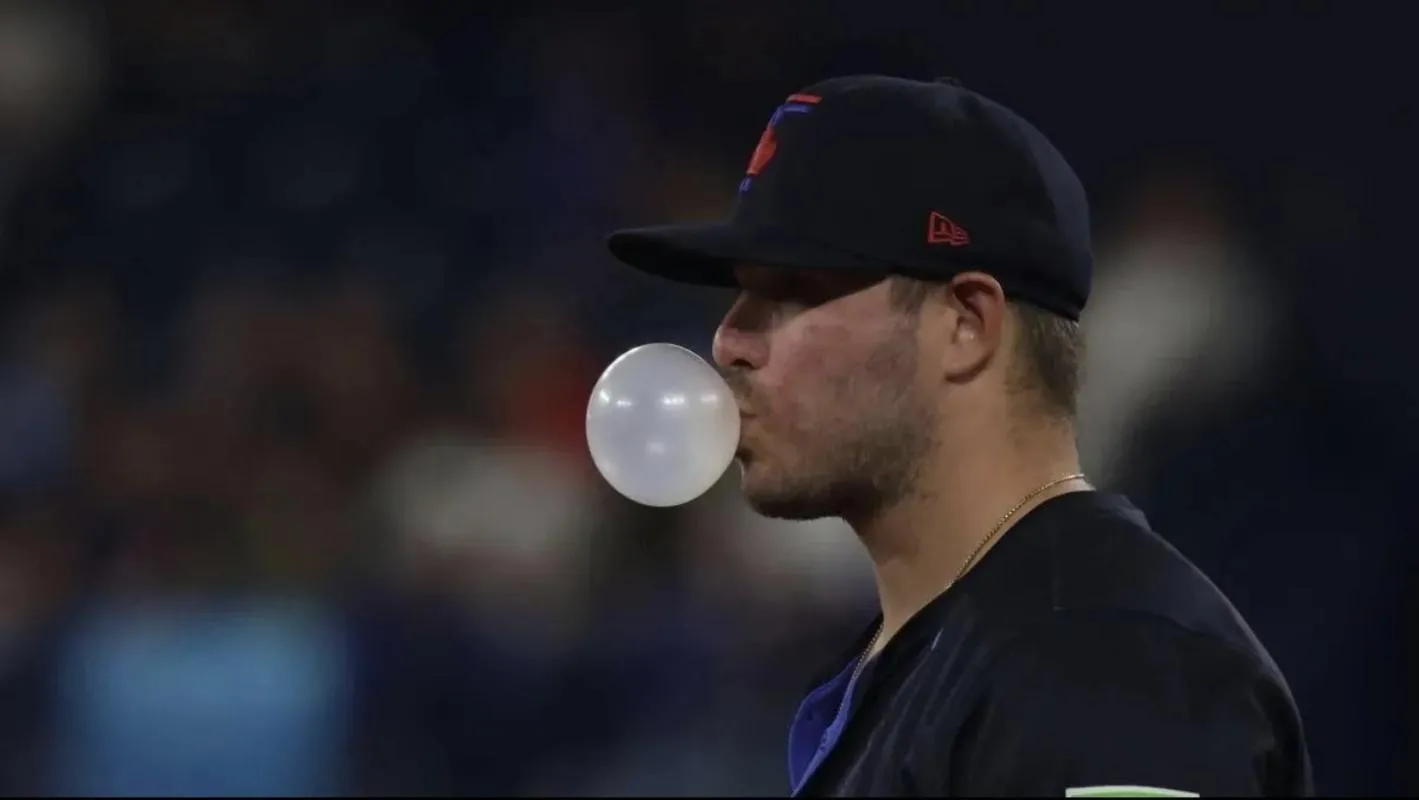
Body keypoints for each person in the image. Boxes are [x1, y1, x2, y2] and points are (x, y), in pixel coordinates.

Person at [604, 74, 1312, 797]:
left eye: (790, 289)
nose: (727, 341)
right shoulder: (931, 665)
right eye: (737, 292)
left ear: (965, 325)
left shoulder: (1111, 664)